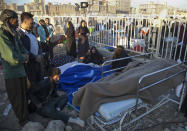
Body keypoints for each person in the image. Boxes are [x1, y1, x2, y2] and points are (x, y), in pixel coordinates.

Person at [0, 9, 29, 126]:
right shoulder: (3, 34)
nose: (17, 21)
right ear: (7, 20)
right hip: (12, 73)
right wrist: (23, 58)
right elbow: (11, 57)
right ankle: (23, 122)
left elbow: (22, 48)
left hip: (21, 71)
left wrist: (26, 54)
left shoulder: (14, 32)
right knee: (17, 99)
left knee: (23, 97)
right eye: (15, 18)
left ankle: (25, 117)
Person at [18, 12, 43, 87]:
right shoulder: (19, 35)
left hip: (37, 63)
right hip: (29, 64)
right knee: (32, 84)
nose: (33, 25)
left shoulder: (32, 33)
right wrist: (34, 57)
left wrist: (39, 55)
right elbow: (22, 50)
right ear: (24, 22)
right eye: (31, 23)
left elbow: (38, 45)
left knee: (40, 82)